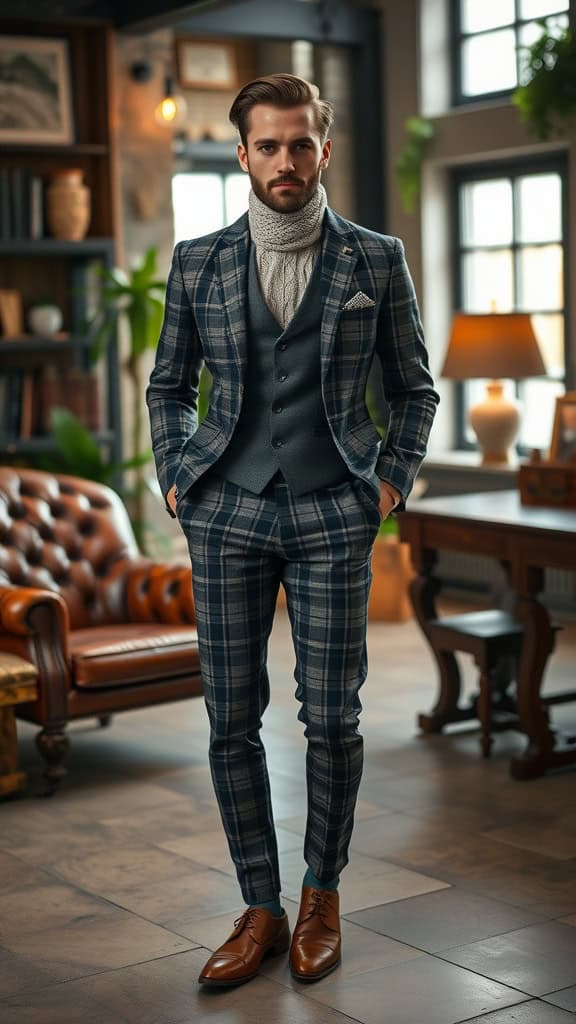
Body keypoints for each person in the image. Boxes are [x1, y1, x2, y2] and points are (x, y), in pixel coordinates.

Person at [146, 73, 439, 988]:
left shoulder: (375, 259)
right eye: (266, 145)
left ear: (324, 147)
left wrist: (386, 485)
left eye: (299, 143)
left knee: (333, 718)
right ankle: (260, 908)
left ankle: (320, 893)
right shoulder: (196, 262)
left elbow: (414, 388)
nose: (284, 160)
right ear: (241, 154)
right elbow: (167, 386)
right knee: (231, 720)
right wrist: (174, 475)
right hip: (225, 509)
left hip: (333, 511)